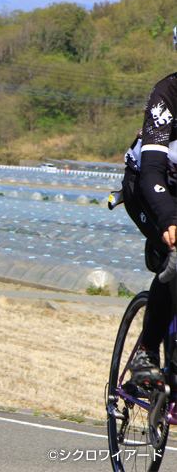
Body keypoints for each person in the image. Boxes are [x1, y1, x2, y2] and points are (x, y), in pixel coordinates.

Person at [119, 26, 177, 387]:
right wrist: (170, 218)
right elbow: (152, 170)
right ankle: (146, 352)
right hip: (148, 188)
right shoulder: (167, 95)